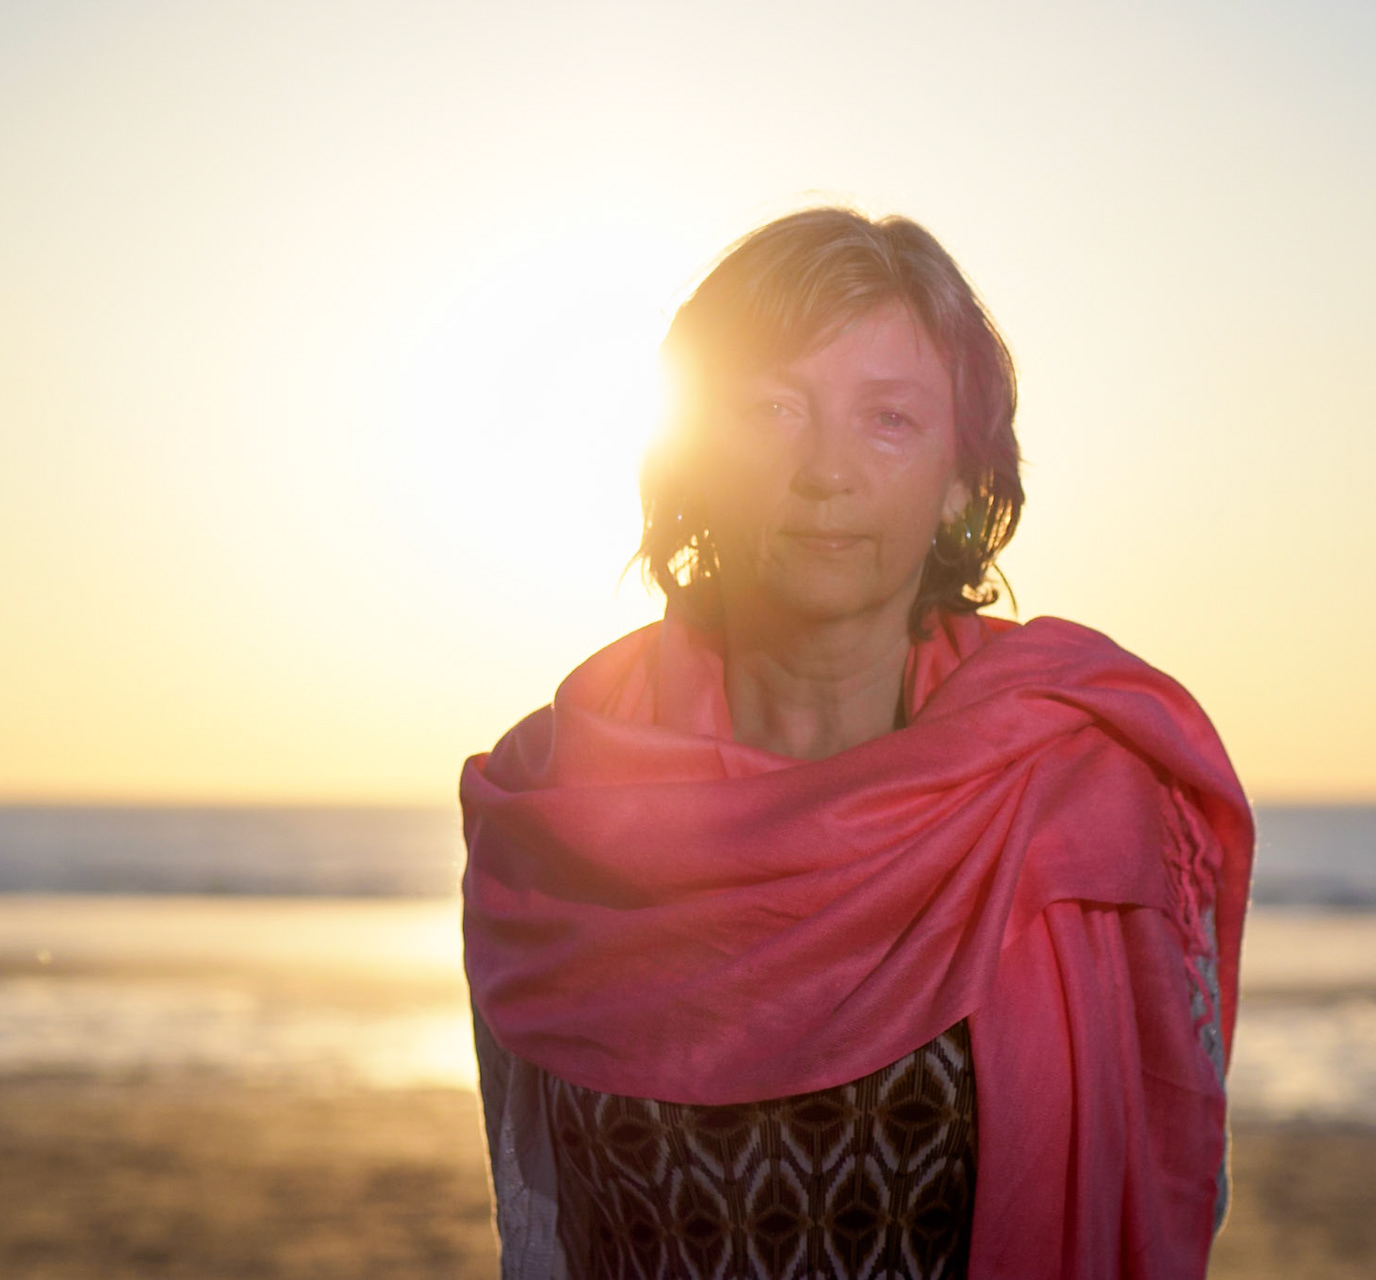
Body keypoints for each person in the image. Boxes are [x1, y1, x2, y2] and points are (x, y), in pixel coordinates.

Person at [460, 208, 1254, 1280]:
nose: (824, 470)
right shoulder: (553, 811)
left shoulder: (1078, 789)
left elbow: (1149, 1181)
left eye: (887, 418)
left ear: (962, 484)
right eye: (773, 409)